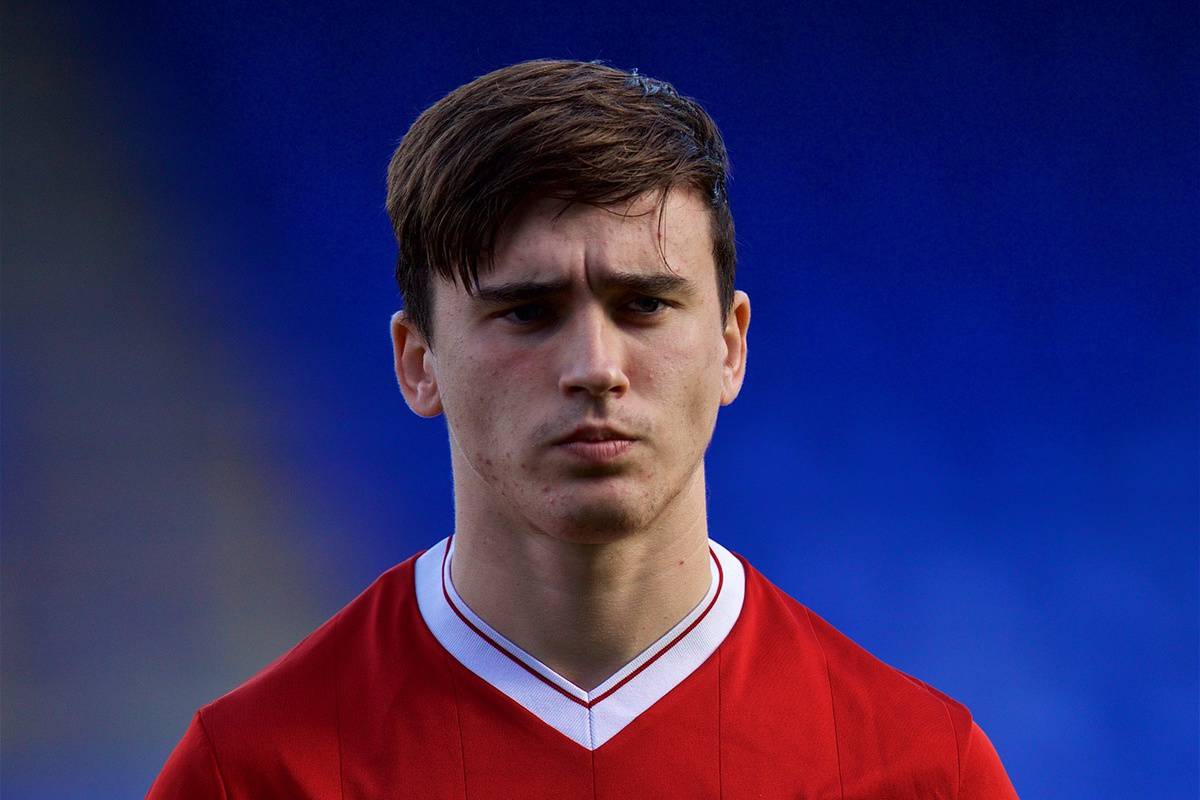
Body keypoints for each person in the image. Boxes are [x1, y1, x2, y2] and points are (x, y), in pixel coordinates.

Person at [148, 59, 1019, 798]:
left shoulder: (919, 770)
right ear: (419, 363)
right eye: (527, 312)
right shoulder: (254, 774)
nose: (595, 366)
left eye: (644, 304)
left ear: (730, 347)